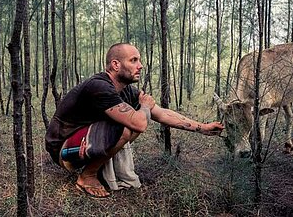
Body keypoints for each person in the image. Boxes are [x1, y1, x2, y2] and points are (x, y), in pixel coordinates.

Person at [45, 43, 224, 198]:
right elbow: (140, 123)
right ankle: (87, 176)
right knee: (127, 127)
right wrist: (144, 107)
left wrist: (203, 128)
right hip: (63, 149)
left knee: (130, 122)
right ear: (115, 64)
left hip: (85, 142)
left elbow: (162, 114)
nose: (141, 65)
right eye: (134, 60)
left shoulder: (126, 90)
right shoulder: (99, 86)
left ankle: (98, 169)